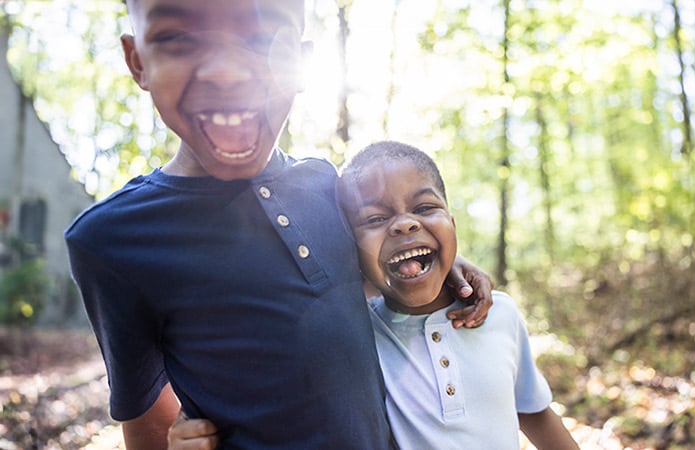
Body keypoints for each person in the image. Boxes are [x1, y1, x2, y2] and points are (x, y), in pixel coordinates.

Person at [64, 1, 492, 449]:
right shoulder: (111, 240)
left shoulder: (328, 185)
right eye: (178, 38)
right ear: (137, 61)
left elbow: (374, 276)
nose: (227, 73)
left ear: (303, 63)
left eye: (262, 38)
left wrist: (449, 263)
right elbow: (147, 428)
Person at [169, 141, 580, 450]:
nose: (403, 225)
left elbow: (535, 413)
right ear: (350, 248)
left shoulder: (499, 314)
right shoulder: (353, 333)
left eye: (423, 208)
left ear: (452, 223)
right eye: (376, 219)